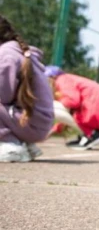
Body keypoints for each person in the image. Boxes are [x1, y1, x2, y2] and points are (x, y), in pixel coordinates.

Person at [0, 15, 54, 162]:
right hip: (38, 122)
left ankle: (10, 145)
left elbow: (3, 95)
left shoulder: (5, 55)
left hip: (30, 123)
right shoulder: (17, 51)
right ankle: (24, 144)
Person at [46, 66, 99, 150]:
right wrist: (54, 129)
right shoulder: (68, 79)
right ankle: (87, 135)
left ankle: (92, 134)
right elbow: (68, 111)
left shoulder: (62, 80)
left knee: (52, 105)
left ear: (51, 77)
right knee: (64, 107)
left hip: (97, 109)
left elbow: (73, 101)